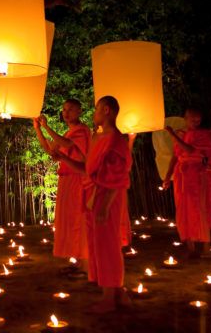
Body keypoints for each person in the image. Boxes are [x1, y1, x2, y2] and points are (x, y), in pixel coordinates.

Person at [57, 96, 132, 312]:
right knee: (99, 246)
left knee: (109, 246)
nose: (94, 113)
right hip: (94, 196)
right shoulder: (99, 138)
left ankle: (109, 298)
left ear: (107, 111)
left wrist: (106, 206)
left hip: (108, 199)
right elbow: (87, 170)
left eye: (97, 109)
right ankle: (117, 292)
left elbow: (118, 178)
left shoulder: (116, 140)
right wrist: (64, 159)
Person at [33, 99, 91, 266]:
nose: (65, 113)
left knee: (78, 218)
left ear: (79, 111)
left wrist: (46, 127)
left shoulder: (82, 130)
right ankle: (75, 260)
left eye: (70, 109)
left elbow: (66, 144)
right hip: (66, 179)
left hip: (77, 178)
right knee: (68, 219)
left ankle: (84, 262)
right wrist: (38, 130)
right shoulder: (68, 133)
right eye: (64, 109)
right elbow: (51, 149)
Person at [162, 108, 211, 257]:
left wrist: (172, 134)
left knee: (199, 209)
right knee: (184, 210)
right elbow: (175, 156)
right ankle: (190, 246)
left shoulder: (202, 135)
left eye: (198, 119)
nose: (196, 122)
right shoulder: (181, 133)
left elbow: (190, 150)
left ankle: (206, 247)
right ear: (185, 118)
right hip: (181, 174)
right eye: (193, 119)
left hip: (196, 174)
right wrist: (167, 177)